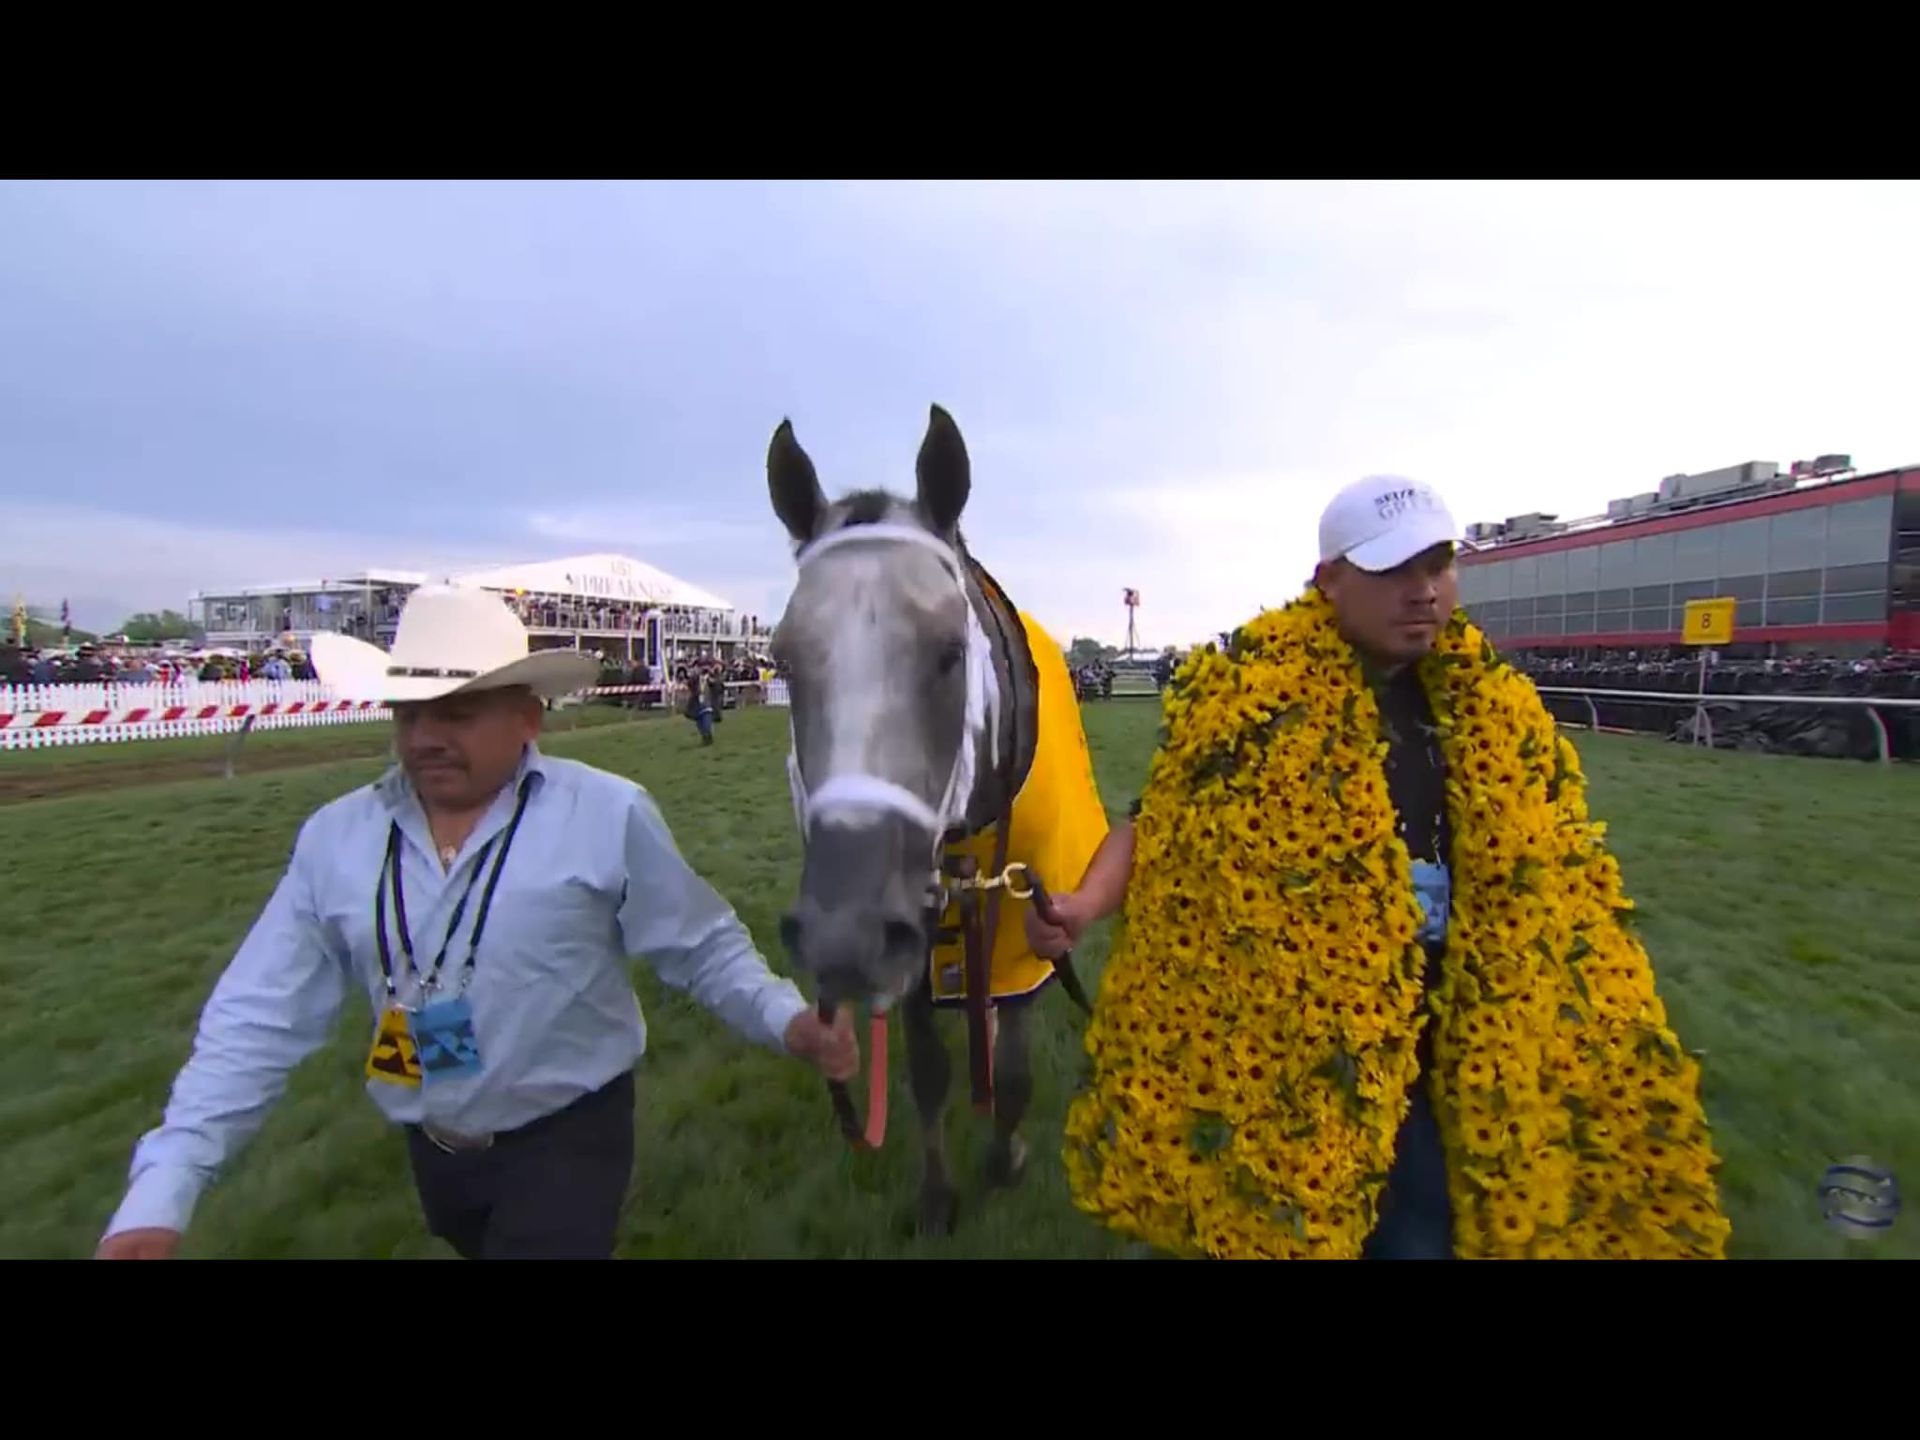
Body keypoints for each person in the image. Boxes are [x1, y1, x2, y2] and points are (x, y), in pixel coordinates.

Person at [1053, 475, 1730, 1260]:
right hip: (1292, 1024)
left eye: (1439, 566)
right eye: (1393, 571)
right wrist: (1081, 906)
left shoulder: (1494, 705)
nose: (1424, 592)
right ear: (1328, 581)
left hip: (1456, 1011)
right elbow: (1157, 820)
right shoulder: (1248, 698)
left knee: (1427, 1221)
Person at [96, 584, 856, 1261]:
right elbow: (257, 1015)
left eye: (456, 713)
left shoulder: (606, 813)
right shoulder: (337, 839)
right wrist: (166, 1183)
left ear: (527, 717)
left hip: (570, 1134)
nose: (425, 737)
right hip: (434, 1150)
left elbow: (698, 944)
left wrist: (785, 1020)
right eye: (410, 712)